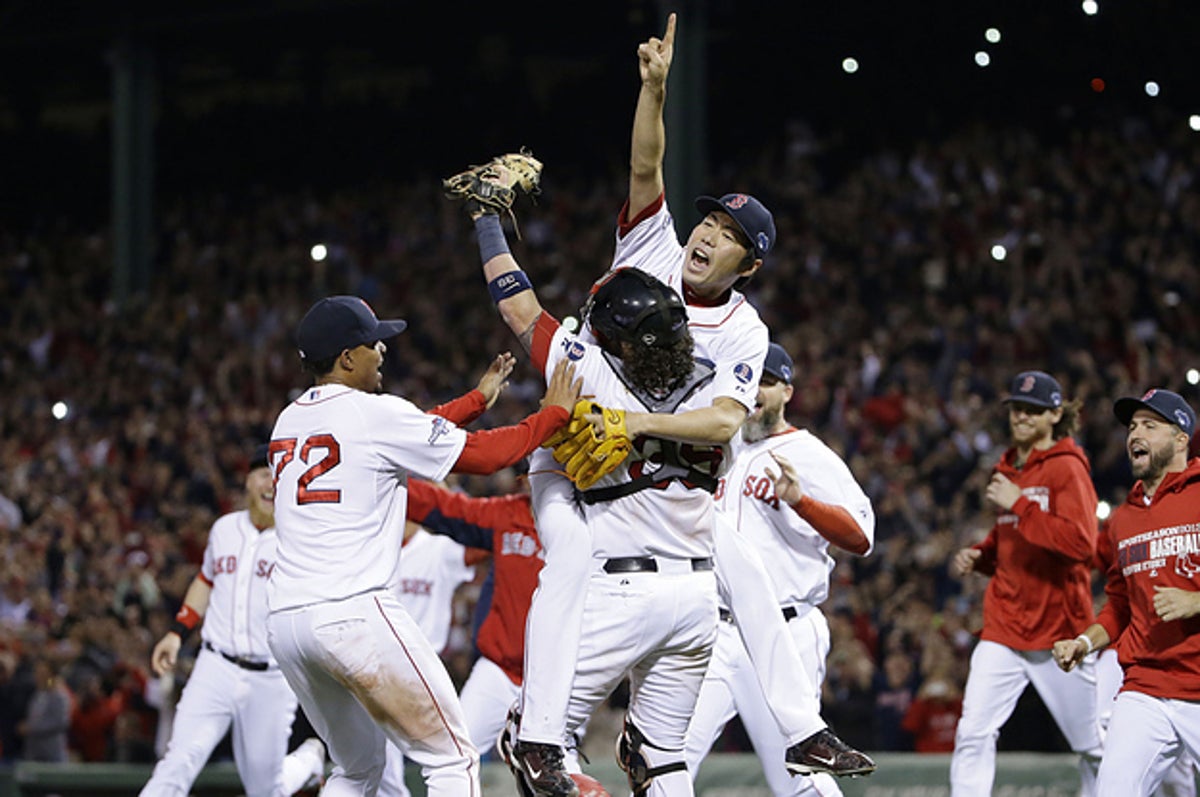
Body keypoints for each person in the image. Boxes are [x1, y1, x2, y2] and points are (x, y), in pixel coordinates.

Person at [450, 13, 870, 795]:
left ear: (748, 266)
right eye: (707, 220)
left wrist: (633, 423)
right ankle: (542, 736)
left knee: (739, 561)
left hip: (672, 493)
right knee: (570, 560)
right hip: (589, 483)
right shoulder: (606, 323)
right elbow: (645, 174)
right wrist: (653, 90)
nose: (705, 235)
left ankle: (801, 727)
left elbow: (721, 423)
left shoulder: (742, 329)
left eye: (727, 233)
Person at [265, 295, 580, 797]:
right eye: (374, 343)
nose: (383, 352)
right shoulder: (372, 414)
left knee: (356, 770)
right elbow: (484, 457)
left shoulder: (290, 420)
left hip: (286, 624)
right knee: (453, 758)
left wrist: (474, 402)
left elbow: (399, 433)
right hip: (350, 612)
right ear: (347, 358)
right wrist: (552, 415)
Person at [684, 343, 876, 797]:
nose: (754, 393)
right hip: (717, 631)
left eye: (766, 383)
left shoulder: (809, 455)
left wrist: (800, 501)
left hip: (784, 632)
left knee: (797, 777)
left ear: (787, 391)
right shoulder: (720, 448)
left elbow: (861, 537)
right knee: (665, 755)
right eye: (747, 381)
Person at [139, 444, 326, 797]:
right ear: (247, 482)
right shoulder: (224, 529)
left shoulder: (301, 538)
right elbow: (206, 579)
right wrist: (178, 632)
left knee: (265, 790)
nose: (270, 482)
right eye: (261, 474)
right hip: (216, 666)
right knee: (178, 762)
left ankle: (308, 760)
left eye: (277, 475)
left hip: (271, 677)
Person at [949, 370, 1103, 796]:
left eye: (1032, 410)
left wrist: (1017, 502)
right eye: (1016, 408)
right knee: (973, 733)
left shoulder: (1067, 468)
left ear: (1056, 414)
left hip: (1059, 632)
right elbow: (1011, 537)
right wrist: (983, 555)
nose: (1020, 416)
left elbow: (1080, 545)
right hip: (1005, 626)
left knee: (1093, 746)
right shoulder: (1009, 465)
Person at [1053, 389, 1200, 797]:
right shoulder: (1122, 520)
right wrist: (1085, 641)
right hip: (1145, 687)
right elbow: (1119, 604)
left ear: (1181, 438)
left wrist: (1195, 600)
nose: (1135, 433)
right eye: (1132, 426)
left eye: (1150, 426)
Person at [378, 518, 487, 797]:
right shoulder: (373, 546)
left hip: (423, 669)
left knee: (451, 755)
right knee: (378, 759)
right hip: (377, 666)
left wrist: (450, 506)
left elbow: (490, 542)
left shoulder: (439, 548)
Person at [17, 657, 70, 763]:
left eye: (43, 673)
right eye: (37, 673)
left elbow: (60, 722)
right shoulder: (37, 695)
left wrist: (31, 728)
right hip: (34, 753)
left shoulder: (58, 695)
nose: (38, 676)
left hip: (51, 754)